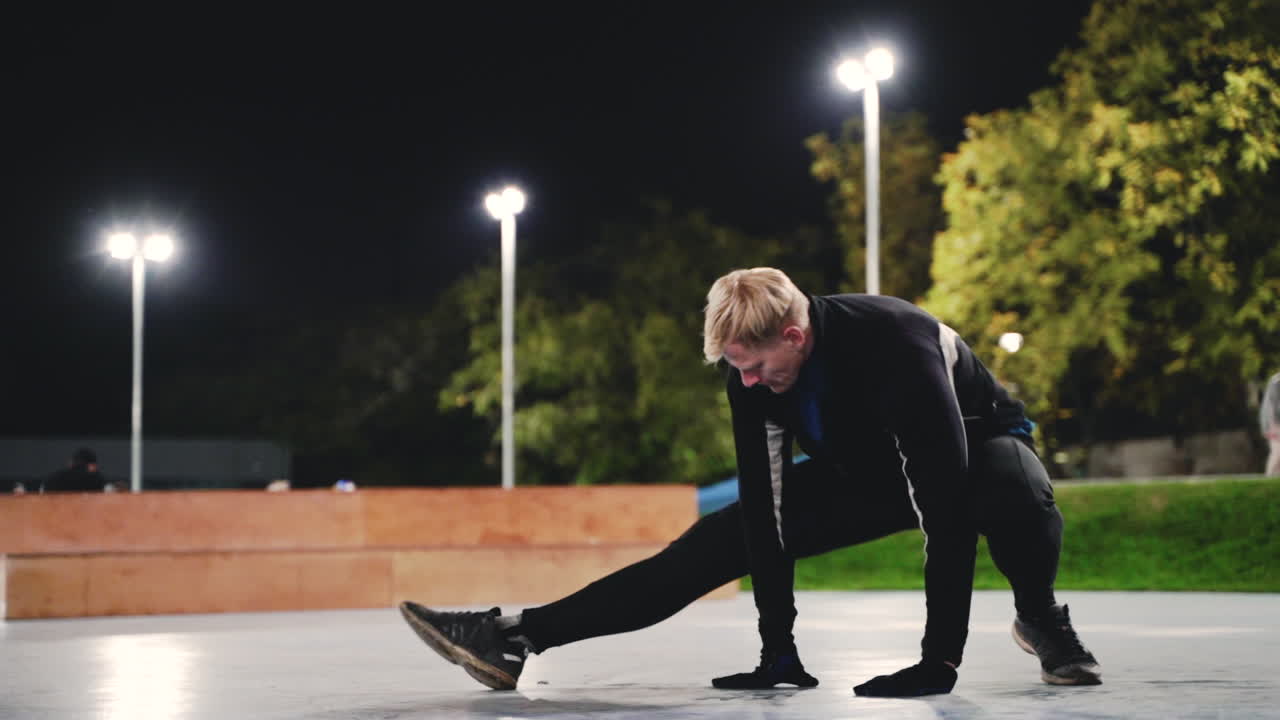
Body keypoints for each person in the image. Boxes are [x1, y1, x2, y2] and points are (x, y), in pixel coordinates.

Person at [399, 267, 1101, 697]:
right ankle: (514, 635)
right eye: (734, 367)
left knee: (1016, 489)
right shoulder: (753, 378)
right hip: (863, 470)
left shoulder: (896, 344)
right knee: (711, 543)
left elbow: (944, 514)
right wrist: (778, 653)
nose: (747, 382)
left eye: (756, 365)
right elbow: (764, 519)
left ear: (794, 335)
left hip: (974, 448)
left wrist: (938, 661)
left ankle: (1042, 620)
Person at [42, 448, 108, 493]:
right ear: (92, 466)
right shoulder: (98, 480)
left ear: (71, 463)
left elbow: (42, 490)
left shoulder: (52, 479)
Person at [1262, 372, 1280, 476]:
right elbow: (1271, 406)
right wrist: (1272, 426)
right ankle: (1268, 480)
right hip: (1274, 424)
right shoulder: (1276, 381)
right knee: (1277, 452)